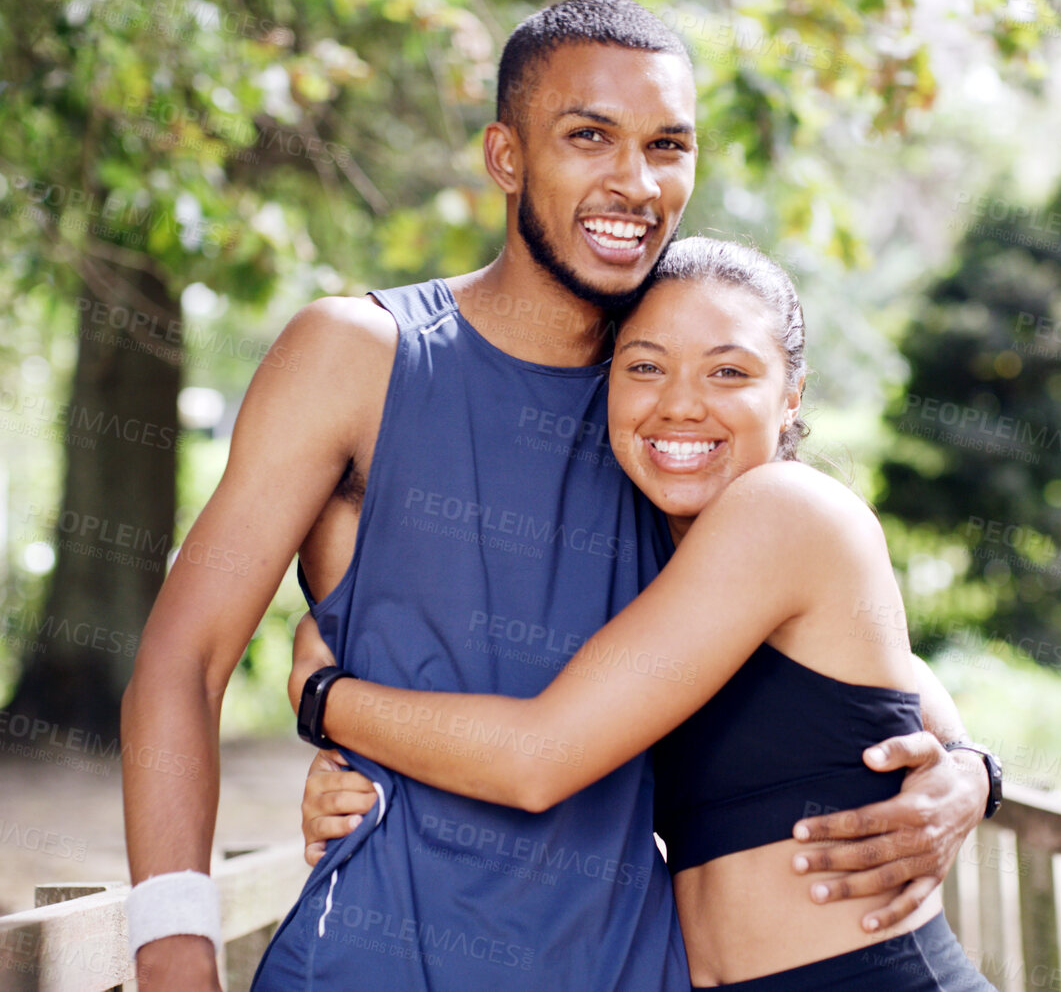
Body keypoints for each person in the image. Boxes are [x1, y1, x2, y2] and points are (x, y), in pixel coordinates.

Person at [120, 0, 991, 992]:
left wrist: (969, 768)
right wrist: (175, 945)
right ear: (505, 156)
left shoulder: (672, 435)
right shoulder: (362, 357)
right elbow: (182, 660)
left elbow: (848, 655)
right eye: (590, 137)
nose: (635, 180)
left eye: (668, 144)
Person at [293, 238, 998, 991]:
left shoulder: (787, 509)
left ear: (791, 393)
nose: (681, 403)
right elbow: (895, 677)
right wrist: (968, 762)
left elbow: (537, 760)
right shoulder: (640, 561)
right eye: (644, 366)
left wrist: (325, 700)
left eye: (728, 371)